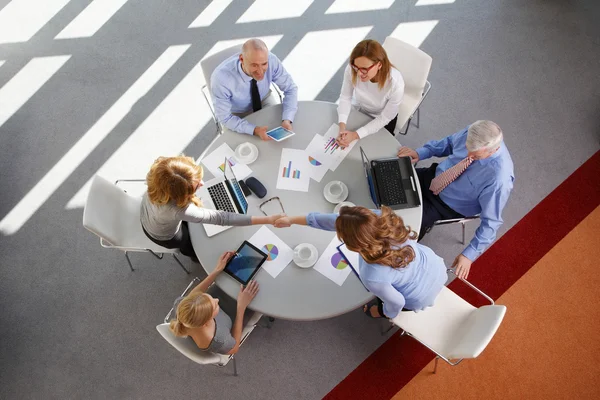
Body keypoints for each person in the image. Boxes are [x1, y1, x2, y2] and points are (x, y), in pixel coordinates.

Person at [274, 206, 447, 319]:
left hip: (419, 297)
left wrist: (383, 312)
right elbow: (334, 220)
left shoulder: (372, 276)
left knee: (383, 304)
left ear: (355, 244)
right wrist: (291, 220)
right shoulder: (380, 219)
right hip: (436, 266)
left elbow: (397, 302)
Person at [397, 120, 514, 280]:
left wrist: (469, 255)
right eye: (467, 149)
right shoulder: (474, 132)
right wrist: (421, 153)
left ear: (492, 151)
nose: (468, 156)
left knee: (404, 235)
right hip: (433, 177)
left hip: (444, 206)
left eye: (476, 156)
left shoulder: (499, 179)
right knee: (392, 175)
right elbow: (449, 144)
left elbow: (491, 222)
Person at [140, 155, 281, 260]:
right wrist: (267, 219)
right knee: (188, 245)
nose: (202, 183)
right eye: (196, 186)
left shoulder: (158, 173)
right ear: (181, 195)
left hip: (148, 214)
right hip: (163, 235)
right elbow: (221, 217)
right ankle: (195, 258)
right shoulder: (177, 209)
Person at [170, 251, 260, 355]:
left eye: (210, 298)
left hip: (229, 302)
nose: (217, 300)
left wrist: (216, 271)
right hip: (236, 313)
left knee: (243, 271)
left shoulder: (181, 307)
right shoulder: (219, 341)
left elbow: (195, 295)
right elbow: (234, 349)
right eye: (215, 305)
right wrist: (241, 306)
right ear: (207, 322)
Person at [211, 38, 298, 141]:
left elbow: (290, 89)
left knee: (275, 140)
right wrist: (254, 130)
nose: (260, 72)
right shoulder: (221, 79)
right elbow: (225, 118)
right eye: (254, 65)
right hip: (235, 112)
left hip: (263, 99)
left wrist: (287, 119)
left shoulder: (271, 60)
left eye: (264, 64)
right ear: (242, 59)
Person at [336, 39, 404, 147]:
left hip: (382, 119)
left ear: (379, 65)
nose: (359, 73)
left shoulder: (396, 83)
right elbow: (345, 97)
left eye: (364, 69)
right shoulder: (351, 70)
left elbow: (384, 118)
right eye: (356, 67)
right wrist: (342, 129)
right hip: (361, 109)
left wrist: (355, 135)